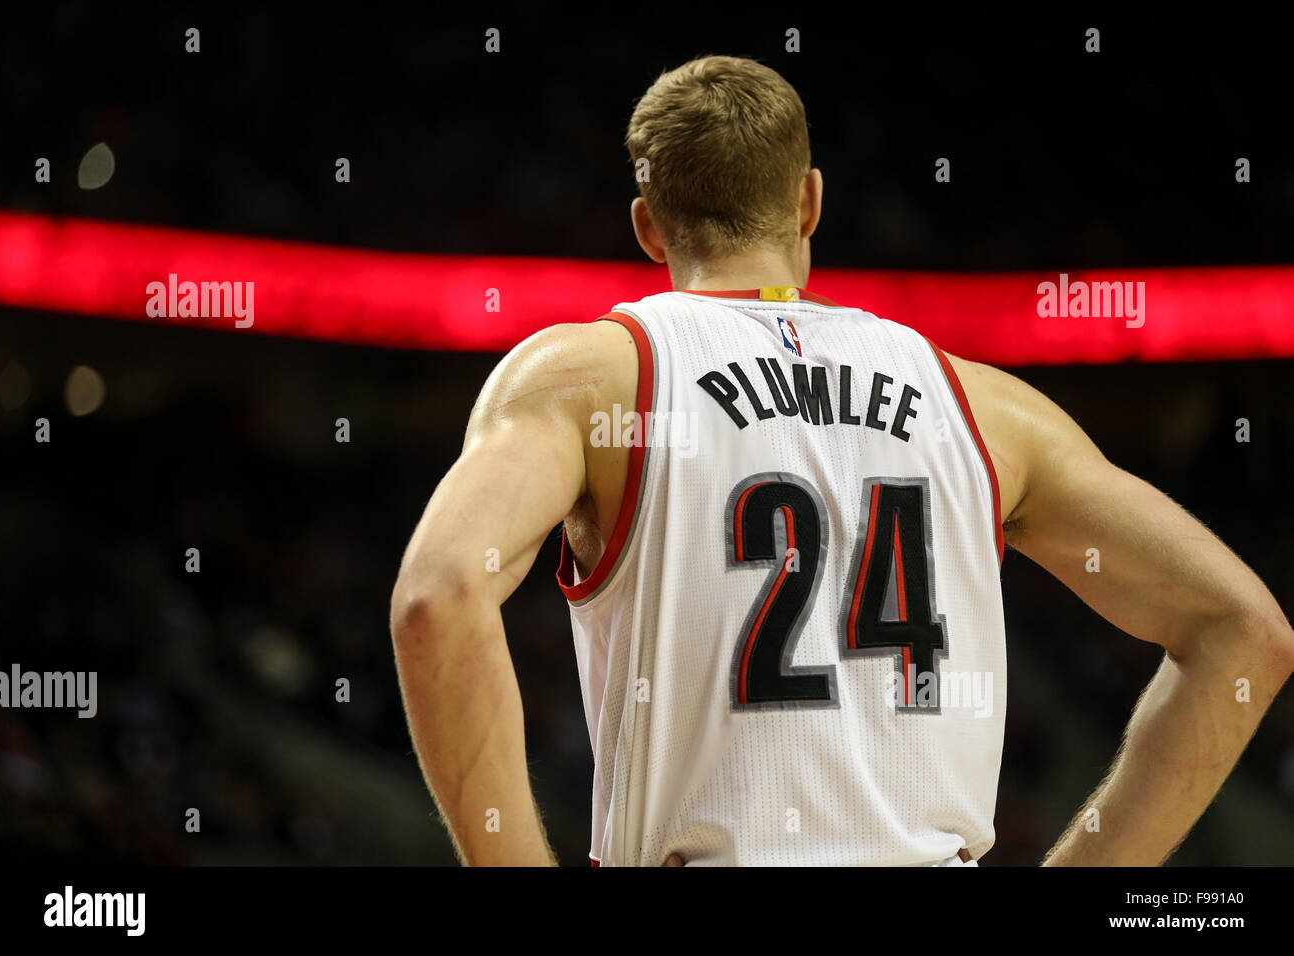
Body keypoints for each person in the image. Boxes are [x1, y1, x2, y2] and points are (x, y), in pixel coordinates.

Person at [389, 55, 1294, 866]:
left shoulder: (593, 379)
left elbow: (436, 599)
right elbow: (1244, 631)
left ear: (648, 226)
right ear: (810, 200)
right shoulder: (982, 404)